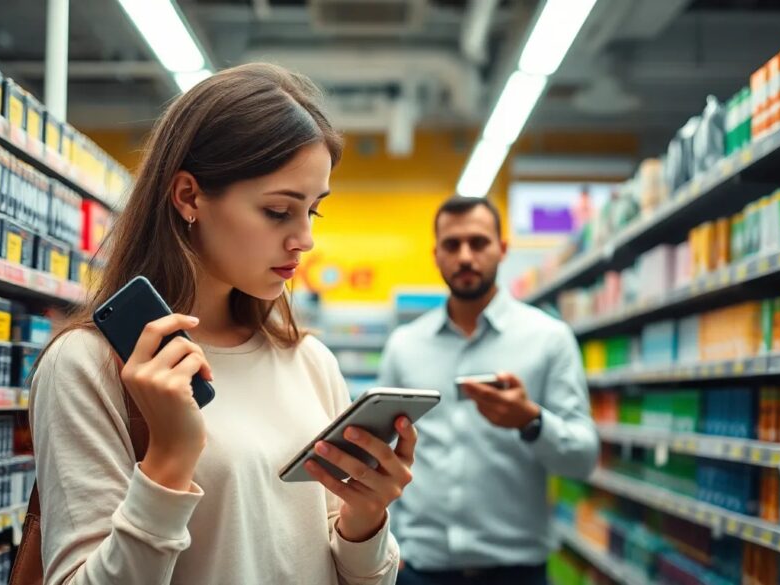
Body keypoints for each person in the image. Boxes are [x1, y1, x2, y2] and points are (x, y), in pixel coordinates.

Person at [30, 63, 417, 585]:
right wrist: (168, 458)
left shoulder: (309, 362)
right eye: (279, 211)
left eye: (313, 211)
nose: (304, 238)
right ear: (190, 196)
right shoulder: (90, 366)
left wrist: (363, 520)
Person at [379, 196, 599, 585]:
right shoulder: (404, 346)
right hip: (419, 569)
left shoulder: (549, 339)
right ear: (435, 254)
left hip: (516, 572)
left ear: (503, 248)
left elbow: (583, 459)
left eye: (479, 242)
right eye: (452, 244)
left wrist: (530, 421)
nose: (465, 256)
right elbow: (381, 454)